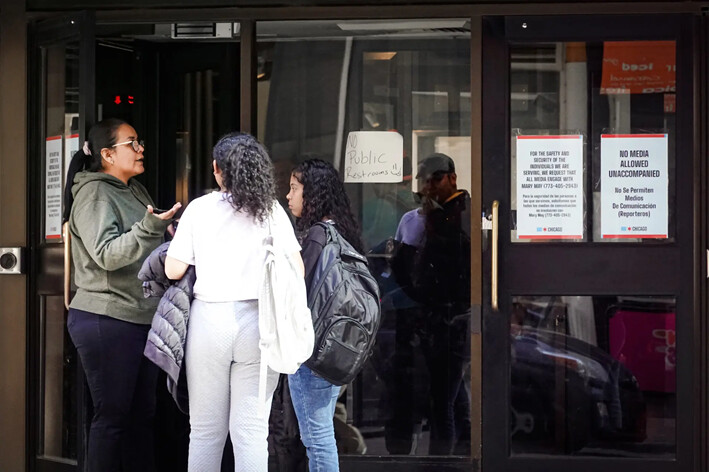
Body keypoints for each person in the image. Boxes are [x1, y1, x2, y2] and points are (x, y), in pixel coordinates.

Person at [164, 132, 303, 471]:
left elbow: (173, 270)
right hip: (260, 324)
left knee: (206, 432)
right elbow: (296, 269)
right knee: (251, 432)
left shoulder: (199, 209)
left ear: (217, 170)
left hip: (210, 321)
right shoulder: (271, 211)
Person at [65, 118, 181, 472]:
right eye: (132, 143)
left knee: (141, 417)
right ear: (107, 154)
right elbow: (108, 255)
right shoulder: (94, 193)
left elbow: (144, 242)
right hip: (107, 318)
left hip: (140, 318)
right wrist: (150, 227)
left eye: (139, 141)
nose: (141, 148)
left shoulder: (134, 190)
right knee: (113, 417)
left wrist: (168, 232)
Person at [285, 158, 365, 471]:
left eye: (294, 189)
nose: (288, 196)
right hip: (337, 348)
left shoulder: (317, 237)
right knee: (321, 433)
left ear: (313, 194)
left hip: (313, 351)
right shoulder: (342, 232)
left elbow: (296, 288)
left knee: (317, 438)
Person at [391, 153, 472, 455]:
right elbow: (405, 266)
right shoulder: (427, 217)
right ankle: (464, 453)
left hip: (452, 318)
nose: (430, 186)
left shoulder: (459, 213)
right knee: (452, 393)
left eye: (436, 178)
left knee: (442, 401)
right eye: (425, 180)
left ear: (451, 177)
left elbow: (452, 265)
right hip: (436, 316)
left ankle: (442, 461)